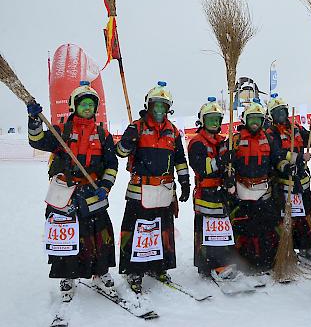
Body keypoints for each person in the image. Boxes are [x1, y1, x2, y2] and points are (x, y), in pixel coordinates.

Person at [28, 81, 118, 301]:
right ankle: (67, 275)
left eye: (91, 104)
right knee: (66, 235)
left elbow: (111, 164)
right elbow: (37, 141)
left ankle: (100, 271)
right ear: (74, 106)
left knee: (99, 234)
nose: (87, 108)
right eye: (83, 104)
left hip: (92, 193)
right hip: (65, 193)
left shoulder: (103, 134)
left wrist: (105, 186)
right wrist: (33, 121)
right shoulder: (60, 131)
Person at [115, 81, 190, 293]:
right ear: (149, 106)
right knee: (138, 229)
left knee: (162, 230)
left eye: (163, 106)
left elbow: (180, 161)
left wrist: (185, 182)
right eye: (156, 105)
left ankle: (159, 266)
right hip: (139, 190)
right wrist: (127, 142)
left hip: (164, 191)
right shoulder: (135, 128)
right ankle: (133, 270)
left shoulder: (173, 132)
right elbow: (119, 152)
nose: (159, 110)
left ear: (168, 108)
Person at [266, 93, 311, 261]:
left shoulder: (295, 127)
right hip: (284, 181)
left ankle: (309, 247)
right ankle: (287, 247)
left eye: (283, 111)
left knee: (307, 217)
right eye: (277, 113)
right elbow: (276, 153)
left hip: (302, 181)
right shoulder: (270, 133)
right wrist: (297, 158)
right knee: (288, 218)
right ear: (272, 116)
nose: (281, 116)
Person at [187, 97, 238, 280]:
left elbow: (227, 167)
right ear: (202, 120)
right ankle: (208, 264)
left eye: (217, 119)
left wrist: (230, 176)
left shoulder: (223, 141)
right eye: (210, 119)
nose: (214, 123)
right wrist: (220, 161)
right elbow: (202, 167)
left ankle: (222, 261)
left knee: (222, 229)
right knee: (207, 230)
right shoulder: (197, 143)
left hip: (221, 193)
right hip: (205, 193)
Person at [230, 99, 280, 271]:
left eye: (258, 119)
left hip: (263, 190)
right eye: (251, 119)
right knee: (244, 227)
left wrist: (286, 166)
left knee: (265, 228)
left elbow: (277, 159)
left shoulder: (268, 139)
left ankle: (266, 260)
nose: (255, 123)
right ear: (245, 119)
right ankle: (245, 261)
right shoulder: (235, 139)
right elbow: (227, 165)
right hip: (242, 190)